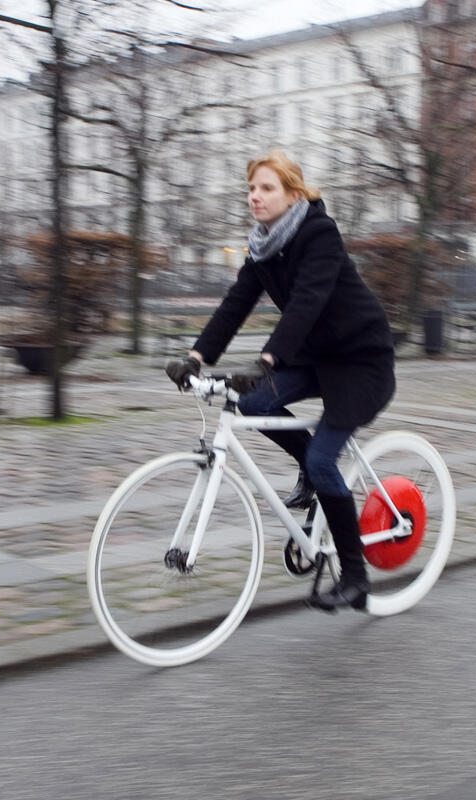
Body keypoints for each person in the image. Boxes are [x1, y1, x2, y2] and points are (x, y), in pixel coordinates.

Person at [166, 150, 396, 612]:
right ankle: (311, 476)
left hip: (359, 361)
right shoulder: (263, 247)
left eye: (266, 188)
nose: (255, 196)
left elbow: (307, 303)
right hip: (315, 359)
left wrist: (268, 359)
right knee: (251, 406)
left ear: (294, 194)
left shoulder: (319, 234)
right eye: (251, 188)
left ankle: (355, 576)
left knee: (324, 458)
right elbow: (236, 304)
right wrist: (195, 357)